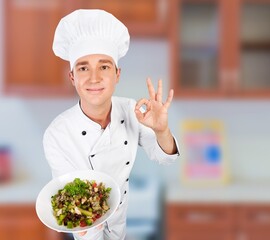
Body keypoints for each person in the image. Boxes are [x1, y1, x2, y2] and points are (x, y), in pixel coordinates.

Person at [43, 9, 179, 240]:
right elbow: (71, 199)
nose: (94, 77)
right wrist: (79, 222)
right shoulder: (57, 134)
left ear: (117, 74)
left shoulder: (131, 110)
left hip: (120, 228)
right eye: (83, 67)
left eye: (104, 67)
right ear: (72, 77)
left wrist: (161, 130)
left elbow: (164, 157)